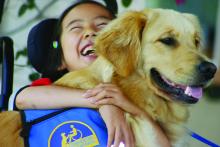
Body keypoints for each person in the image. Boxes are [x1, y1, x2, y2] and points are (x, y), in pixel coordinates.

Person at [15, 1, 170, 147]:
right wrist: (102, 102)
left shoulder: (137, 95)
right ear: (61, 59)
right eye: (76, 28)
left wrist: (132, 108)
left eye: (103, 25)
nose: (90, 32)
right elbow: (22, 98)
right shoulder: (53, 89)